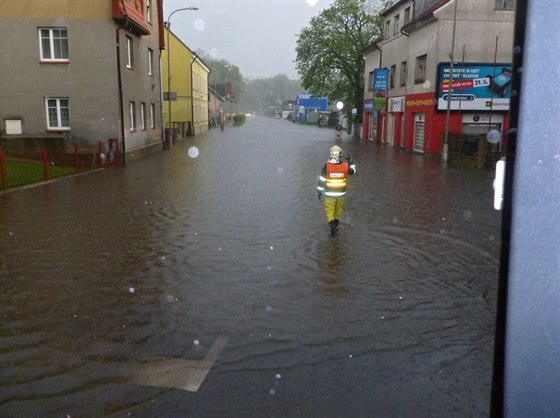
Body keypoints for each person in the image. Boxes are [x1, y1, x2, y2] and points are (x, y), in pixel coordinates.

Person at [317, 145, 357, 236]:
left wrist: (319, 191)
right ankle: (336, 229)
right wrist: (351, 161)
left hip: (330, 196)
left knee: (329, 212)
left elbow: (322, 179)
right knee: (338, 212)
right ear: (340, 155)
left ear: (331, 154)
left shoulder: (327, 166)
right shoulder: (345, 166)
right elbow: (354, 171)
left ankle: (333, 232)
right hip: (341, 195)